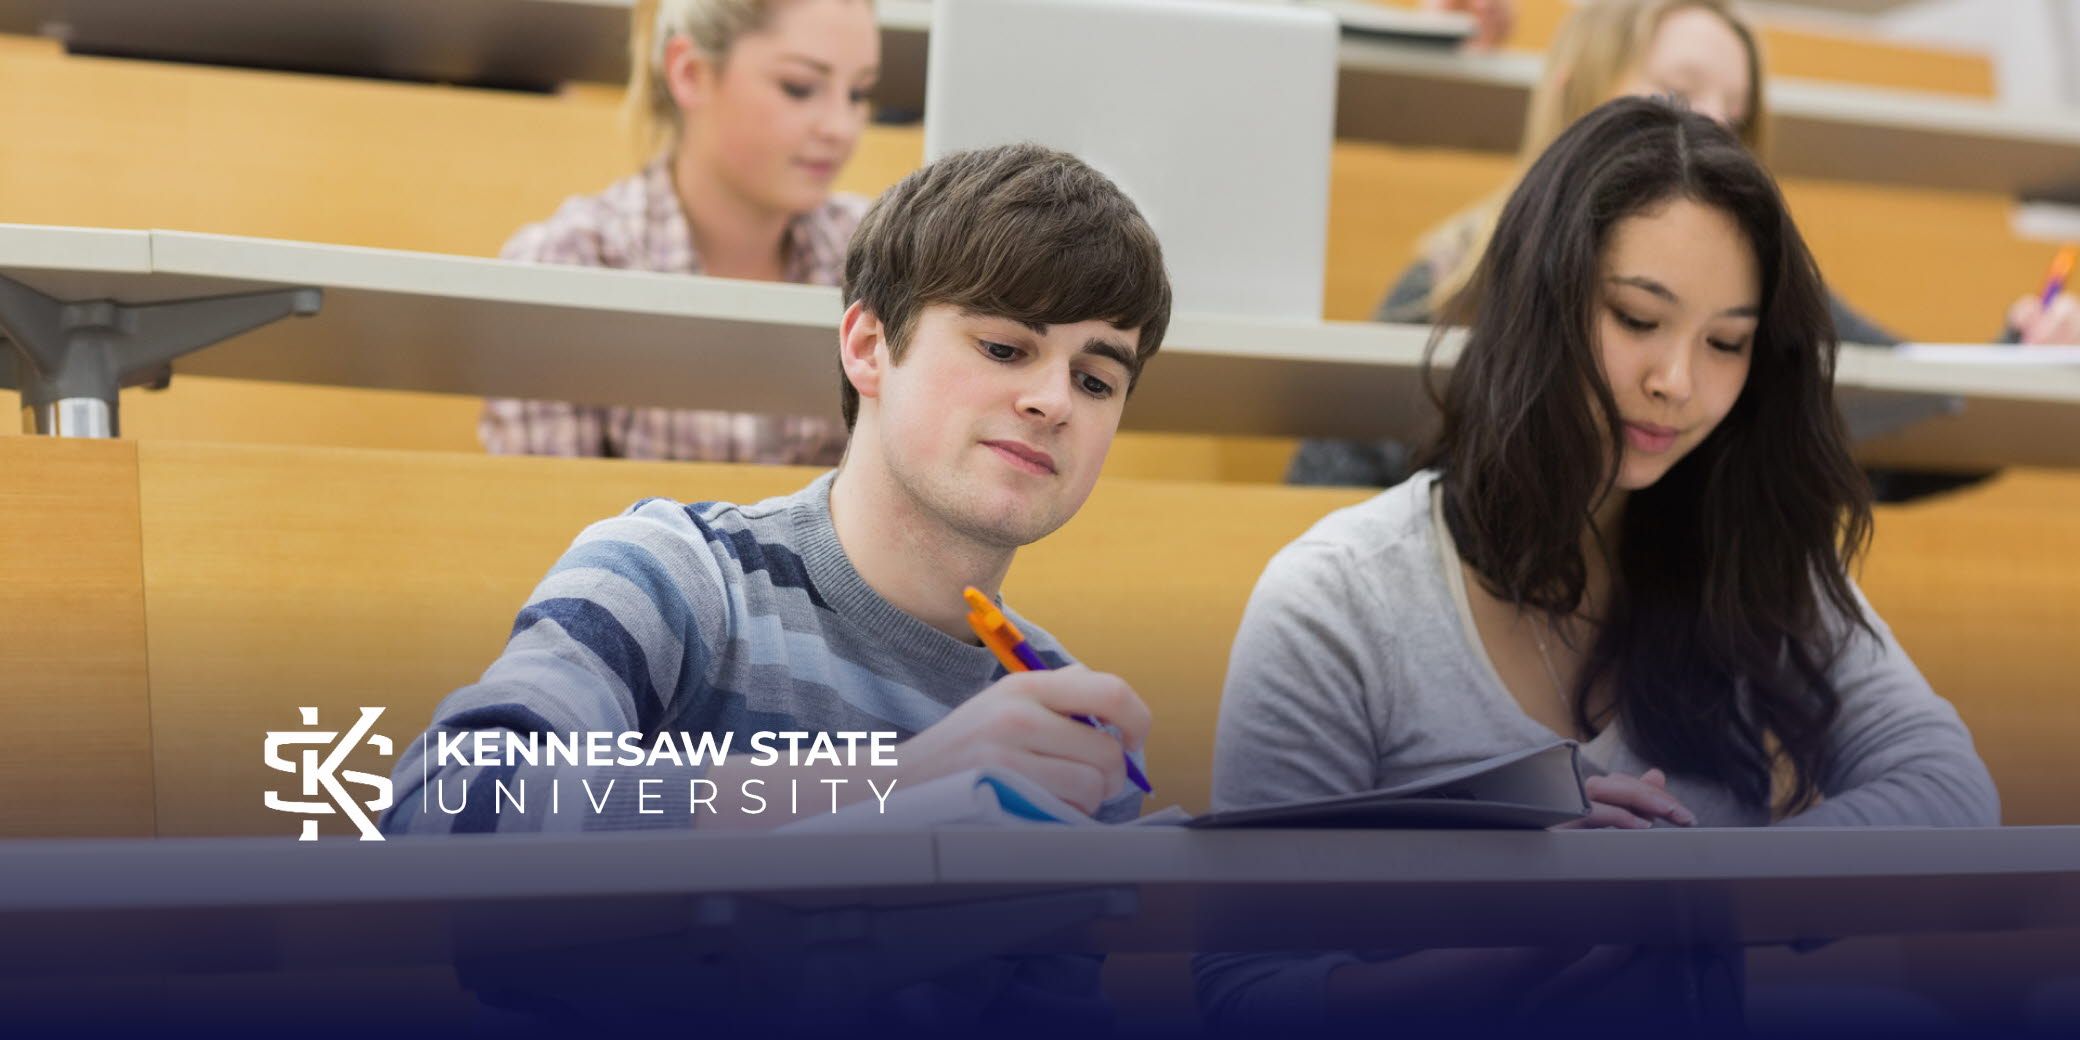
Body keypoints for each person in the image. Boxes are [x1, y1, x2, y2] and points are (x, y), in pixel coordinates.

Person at [1200, 97, 1998, 1029]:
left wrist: (1683, 887)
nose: (1678, 382)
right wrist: (1509, 941)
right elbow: (1247, 996)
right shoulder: (1339, 594)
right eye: (1636, 318)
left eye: (1727, 343)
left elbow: (1949, 794)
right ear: (1540, 302)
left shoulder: (1754, 557)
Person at [386, 142, 1172, 1026]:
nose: (1054, 400)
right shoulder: (673, 570)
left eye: (1097, 378)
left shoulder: (1062, 718)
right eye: (1003, 346)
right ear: (869, 347)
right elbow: (447, 816)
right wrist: (905, 781)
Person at [1290, 0, 2080, 493]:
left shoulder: (1756, 287)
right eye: (1677, 91)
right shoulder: (1446, 278)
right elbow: (1327, 497)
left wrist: (2020, 352)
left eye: (1734, 113)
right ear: (1575, 83)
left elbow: (1896, 419)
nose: (1707, 128)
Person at [481, 0, 879, 462]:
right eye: (799, 88)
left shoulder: (879, 257)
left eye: (858, 94)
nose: (841, 127)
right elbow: (538, 515)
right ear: (690, 73)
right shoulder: (567, 260)